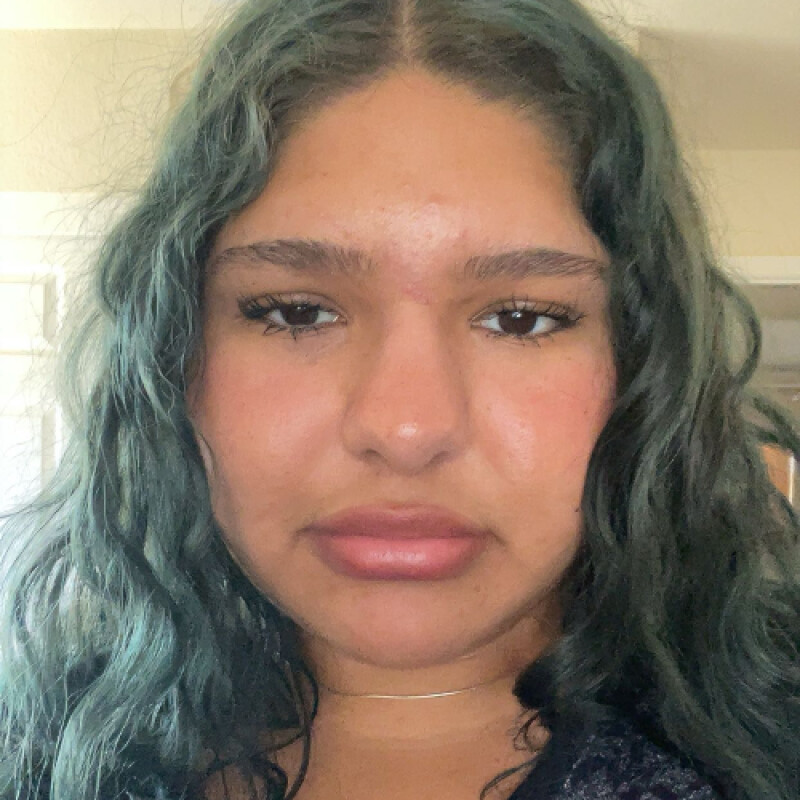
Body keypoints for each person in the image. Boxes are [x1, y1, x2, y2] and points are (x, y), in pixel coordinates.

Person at [1, 1, 798, 798]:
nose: (407, 428)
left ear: (643, 366)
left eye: (520, 319)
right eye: (296, 312)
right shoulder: (36, 756)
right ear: (174, 356)